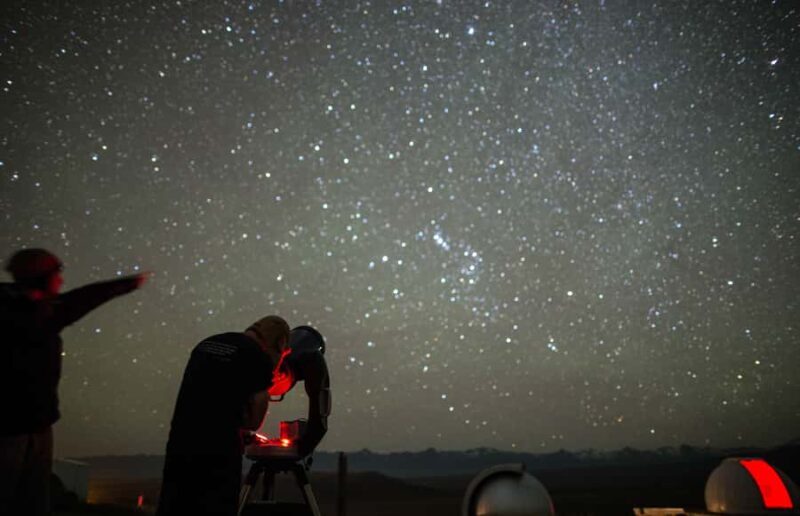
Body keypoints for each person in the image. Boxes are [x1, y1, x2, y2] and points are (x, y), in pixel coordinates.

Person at [0, 248, 149, 516]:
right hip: (12, 429)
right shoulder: (26, 313)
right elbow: (77, 302)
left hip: (38, 423)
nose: (61, 279)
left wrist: (124, 285)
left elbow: (80, 299)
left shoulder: (36, 308)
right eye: (56, 272)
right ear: (40, 278)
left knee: (32, 499)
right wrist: (125, 285)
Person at [156, 315, 291, 516]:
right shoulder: (257, 356)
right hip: (218, 455)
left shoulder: (206, 344)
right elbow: (254, 419)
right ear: (279, 343)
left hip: (180, 446)